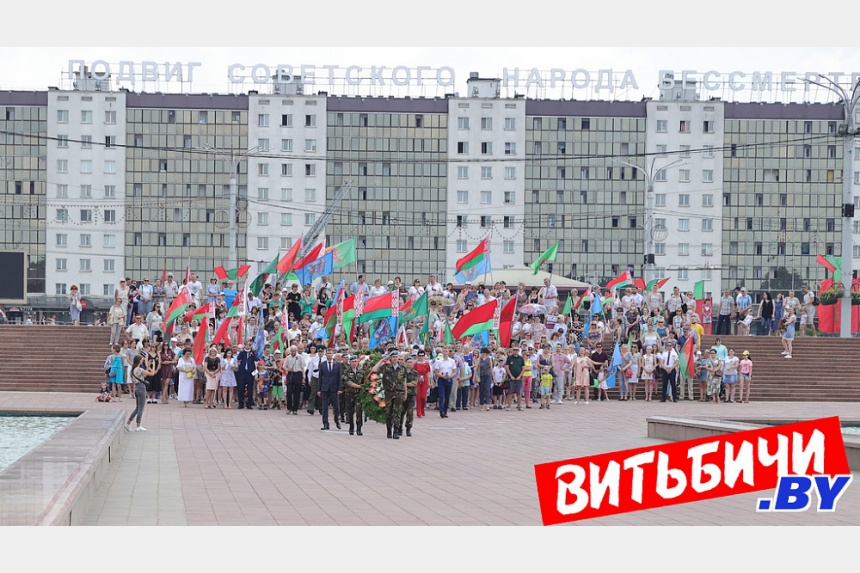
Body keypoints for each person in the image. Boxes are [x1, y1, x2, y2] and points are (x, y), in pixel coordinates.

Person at [124, 353, 157, 432]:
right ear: (139, 361)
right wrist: (153, 365)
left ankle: (128, 423)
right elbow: (152, 373)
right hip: (141, 388)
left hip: (136, 388)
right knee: (141, 407)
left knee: (137, 407)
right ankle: (138, 425)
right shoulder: (140, 369)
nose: (142, 361)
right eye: (141, 360)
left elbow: (144, 376)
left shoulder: (133, 370)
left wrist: (148, 366)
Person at [317, 347, 343, 430]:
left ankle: (337, 420)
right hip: (325, 388)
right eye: (328, 353)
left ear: (333, 354)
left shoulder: (337, 364)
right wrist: (319, 389)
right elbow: (320, 378)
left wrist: (340, 388)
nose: (329, 355)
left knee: (336, 406)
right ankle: (325, 423)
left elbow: (339, 377)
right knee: (324, 407)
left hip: (334, 388)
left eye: (330, 353)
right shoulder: (322, 365)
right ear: (326, 354)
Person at [342, 354, 365, 436]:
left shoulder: (361, 372)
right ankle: (351, 427)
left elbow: (364, 382)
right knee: (350, 412)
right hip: (349, 394)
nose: (354, 363)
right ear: (350, 362)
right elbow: (349, 383)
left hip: (358, 395)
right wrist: (360, 386)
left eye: (355, 361)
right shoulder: (346, 372)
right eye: (352, 361)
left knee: (359, 411)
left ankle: (359, 428)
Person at [432, 346, 457, 418]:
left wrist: (450, 376)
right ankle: (441, 411)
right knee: (441, 396)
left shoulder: (452, 361)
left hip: (449, 379)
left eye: (446, 351)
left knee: (447, 396)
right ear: (442, 352)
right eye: (444, 351)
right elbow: (436, 372)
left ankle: (445, 411)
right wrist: (442, 376)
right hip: (441, 379)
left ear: (448, 352)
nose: (445, 353)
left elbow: (454, 372)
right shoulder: (439, 361)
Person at [399, 356, 419, 437]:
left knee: (410, 412)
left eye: (411, 362)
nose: (409, 364)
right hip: (402, 394)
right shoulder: (401, 372)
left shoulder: (415, 373)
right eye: (408, 362)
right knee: (401, 412)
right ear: (405, 363)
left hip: (411, 395)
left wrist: (404, 384)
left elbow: (414, 383)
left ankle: (408, 428)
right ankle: (399, 427)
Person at [282, 345, 305, 414]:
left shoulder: (300, 357)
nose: (293, 353)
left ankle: (295, 409)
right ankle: (289, 408)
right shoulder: (288, 358)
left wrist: (303, 377)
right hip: (290, 374)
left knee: (297, 392)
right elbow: (284, 367)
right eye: (292, 351)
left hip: (298, 374)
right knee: (289, 391)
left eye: (294, 351)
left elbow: (302, 367)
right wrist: (288, 369)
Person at [235, 339, 258, 410]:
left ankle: (249, 404)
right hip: (242, 372)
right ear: (245, 345)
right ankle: (241, 403)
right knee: (241, 388)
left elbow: (256, 359)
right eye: (247, 345)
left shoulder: (253, 352)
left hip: (250, 372)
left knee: (250, 388)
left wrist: (253, 352)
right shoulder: (242, 352)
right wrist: (242, 351)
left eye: (250, 345)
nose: (248, 346)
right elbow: (238, 358)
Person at [505, 346, 526, 411]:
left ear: (518, 351)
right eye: (514, 350)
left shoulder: (521, 358)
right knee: (510, 392)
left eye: (516, 350)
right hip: (511, 378)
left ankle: (519, 405)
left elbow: (523, 368)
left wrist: (520, 376)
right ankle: (509, 405)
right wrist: (511, 376)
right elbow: (507, 367)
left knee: (519, 392)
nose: (515, 351)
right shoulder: (509, 358)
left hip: (519, 378)